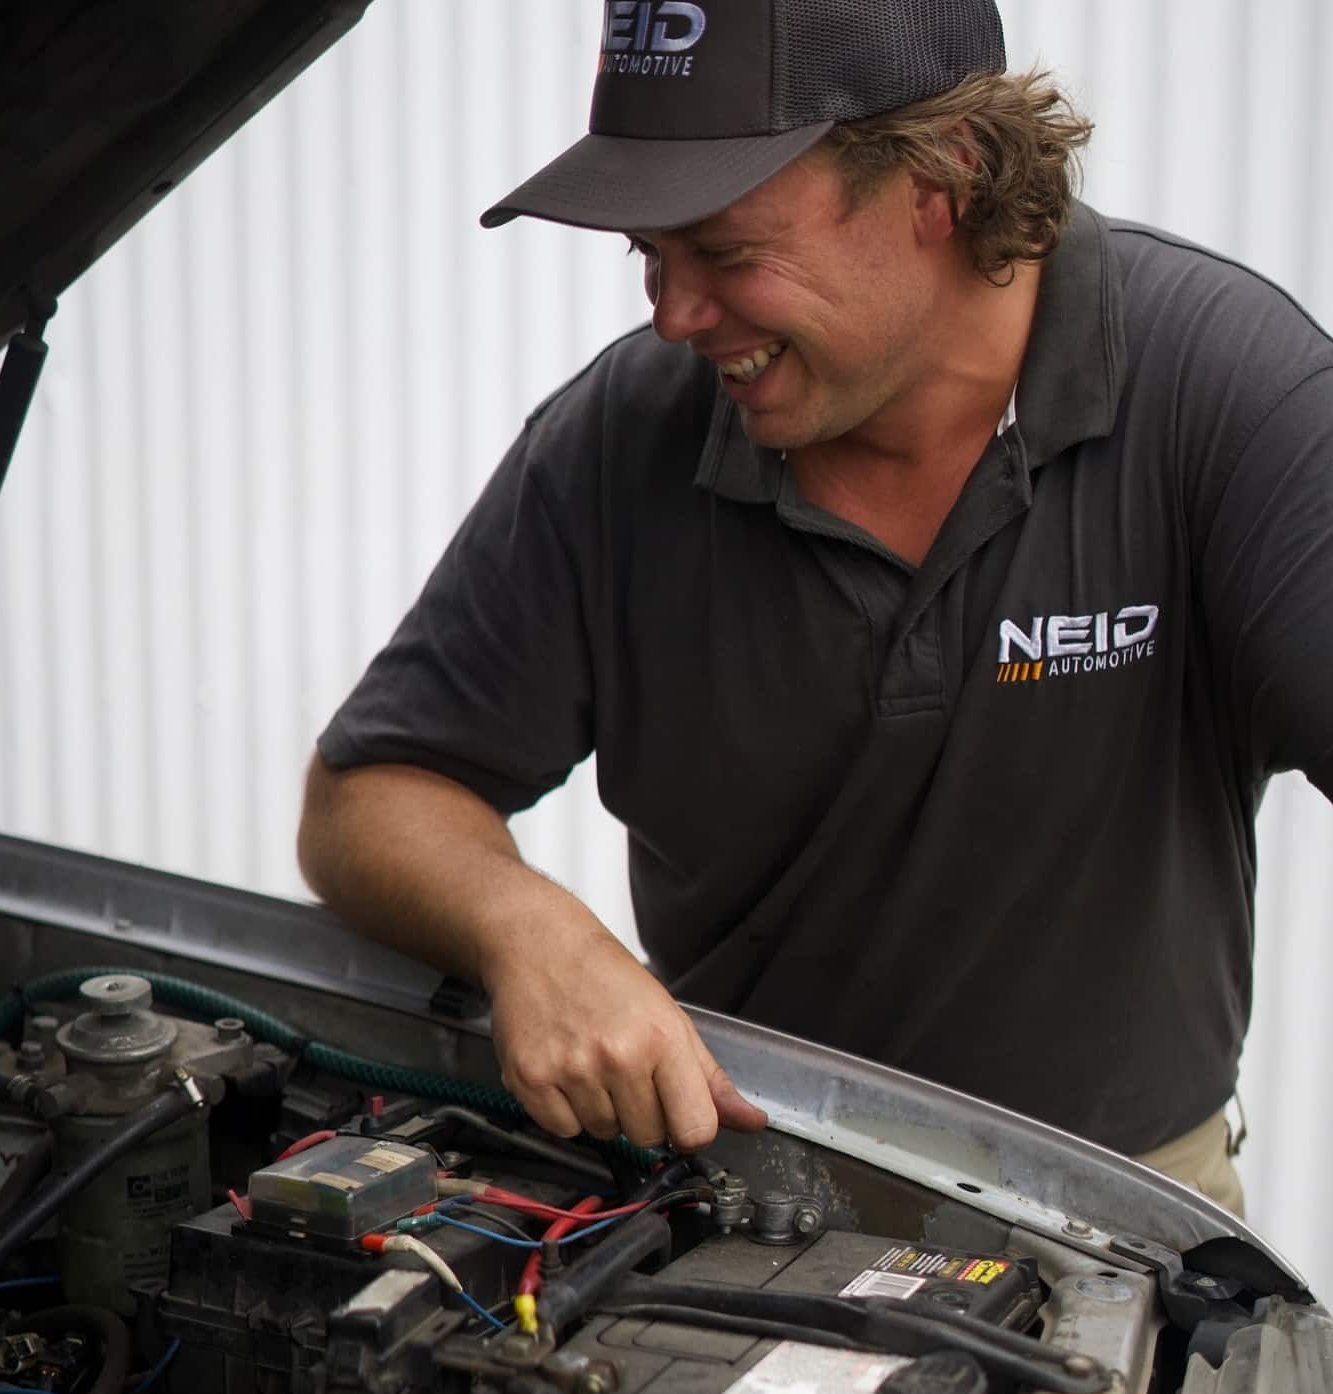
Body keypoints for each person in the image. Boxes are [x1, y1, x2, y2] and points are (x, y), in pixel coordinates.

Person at [298, 0, 1333, 1215]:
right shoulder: (621, 445)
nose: (673, 315)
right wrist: (530, 932)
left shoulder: (1226, 395)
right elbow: (365, 799)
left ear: (938, 182)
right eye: (650, 256)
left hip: (1121, 1218)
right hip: (736, 1209)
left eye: (726, 252)